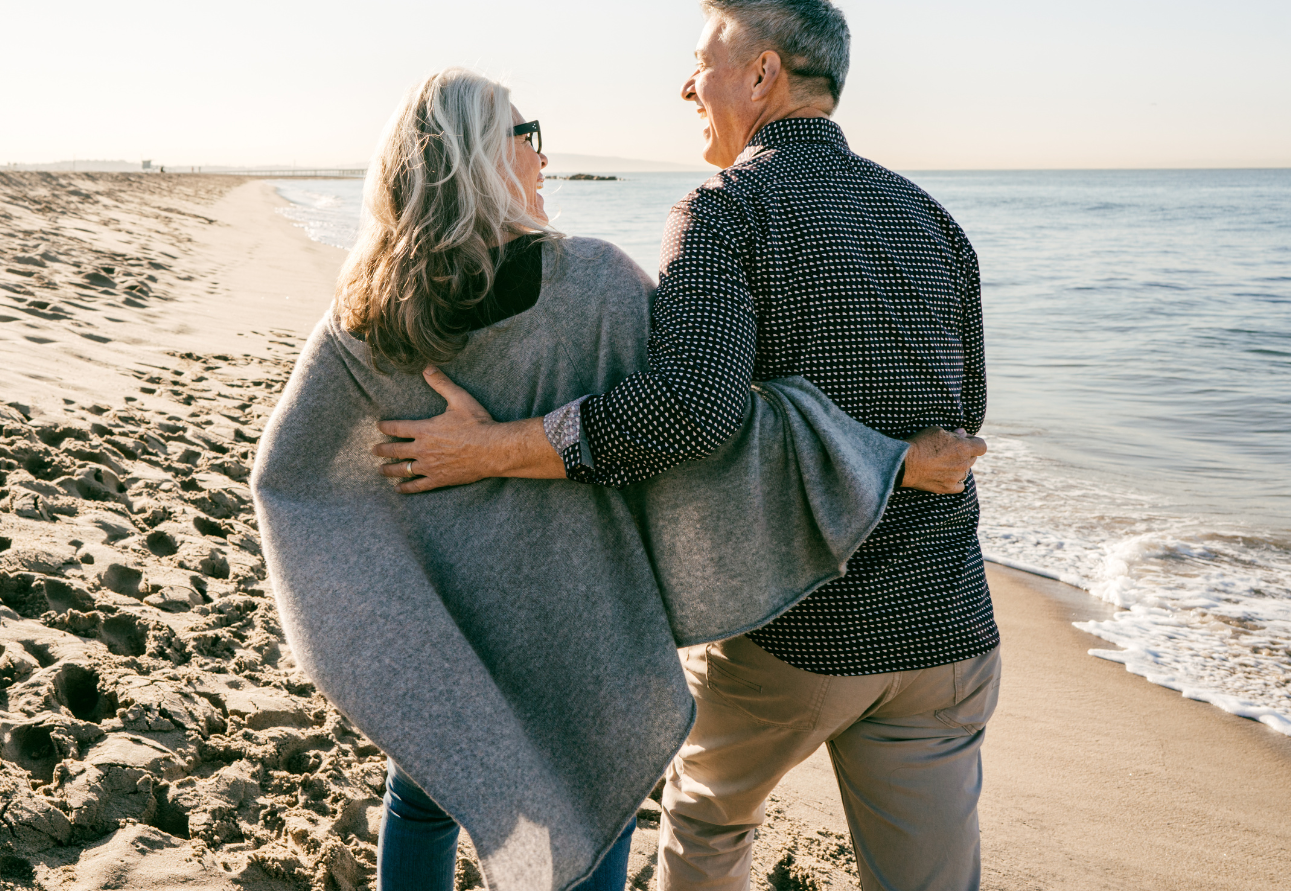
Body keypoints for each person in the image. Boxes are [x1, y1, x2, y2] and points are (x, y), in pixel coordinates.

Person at [252, 65, 985, 891]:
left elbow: (292, 479)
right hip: (584, 615)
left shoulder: (368, 309)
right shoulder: (593, 283)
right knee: (594, 800)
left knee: (424, 796)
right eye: (527, 138)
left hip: (448, 615)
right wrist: (886, 456)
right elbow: (705, 426)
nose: (542, 160)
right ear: (481, 158)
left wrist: (380, 597)